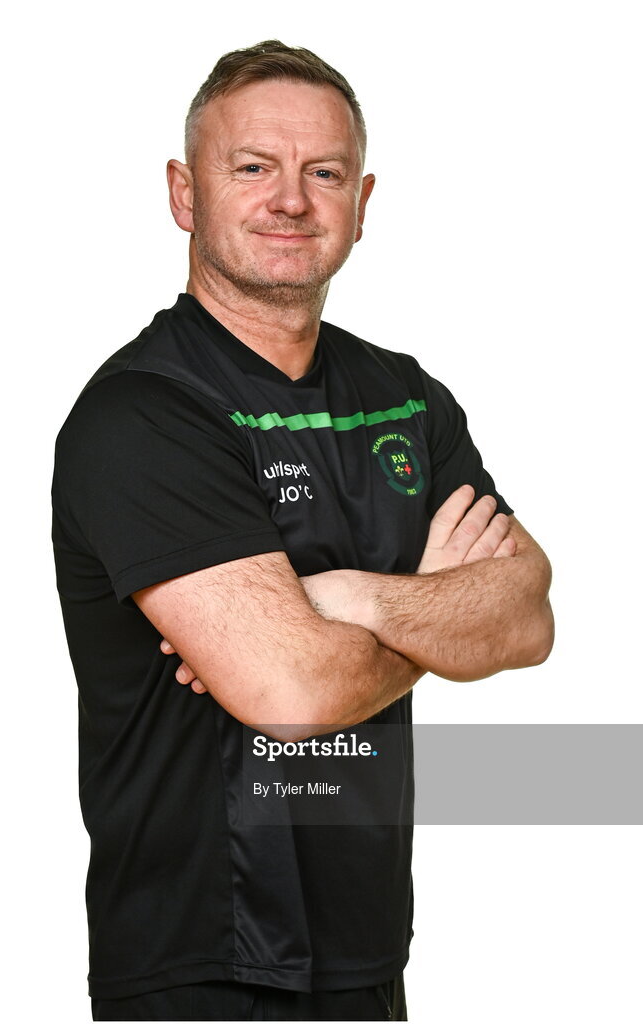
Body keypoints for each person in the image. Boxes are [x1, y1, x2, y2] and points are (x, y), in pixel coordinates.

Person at [52, 40, 554, 1022]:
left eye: (321, 172)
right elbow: (290, 692)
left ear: (360, 202)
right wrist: (436, 626)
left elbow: (526, 615)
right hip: (192, 963)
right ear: (182, 193)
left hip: (364, 951)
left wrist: (347, 599)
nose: (290, 199)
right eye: (252, 167)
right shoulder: (141, 416)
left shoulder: (405, 398)